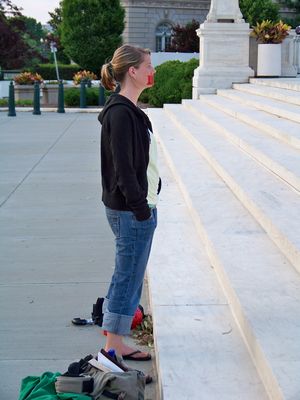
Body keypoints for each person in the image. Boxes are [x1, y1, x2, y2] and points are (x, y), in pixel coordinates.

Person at [98, 45, 161, 361]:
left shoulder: (128, 109)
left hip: (135, 206)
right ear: (132, 72)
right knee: (128, 275)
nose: (153, 70)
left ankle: (114, 339)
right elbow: (122, 167)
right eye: (149, 65)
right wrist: (140, 207)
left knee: (127, 274)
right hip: (131, 210)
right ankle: (112, 348)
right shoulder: (121, 113)